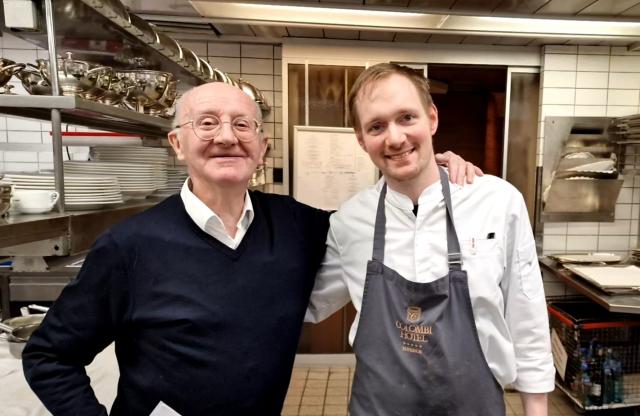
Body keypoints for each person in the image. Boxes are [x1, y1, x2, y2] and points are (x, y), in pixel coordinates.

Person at [22, 81, 478, 415]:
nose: (227, 136)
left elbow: (373, 223)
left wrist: (428, 169)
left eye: (242, 125)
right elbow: (49, 356)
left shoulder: (296, 226)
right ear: (177, 143)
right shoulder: (130, 246)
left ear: (261, 148)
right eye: (207, 123)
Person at [306, 63, 554, 416]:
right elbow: (304, 303)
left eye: (407, 117)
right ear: (361, 139)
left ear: (432, 118)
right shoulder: (350, 221)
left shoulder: (497, 202)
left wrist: (536, 408)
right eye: (376, 126)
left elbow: (525, 313)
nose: (395, 138)